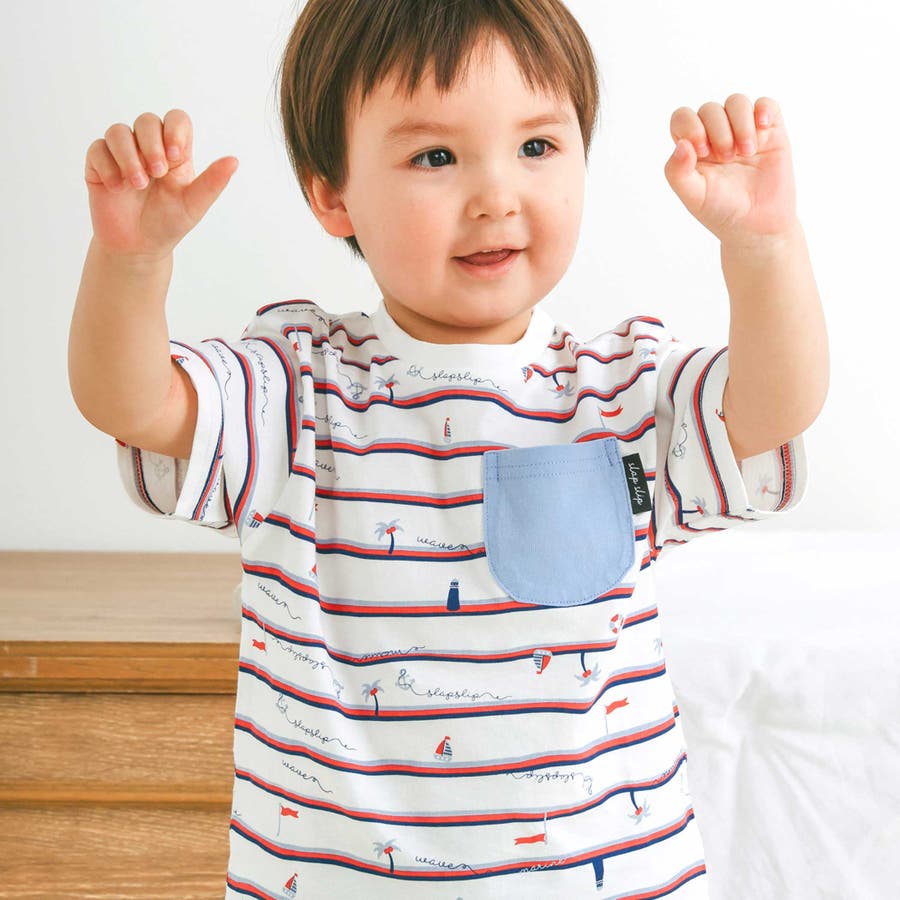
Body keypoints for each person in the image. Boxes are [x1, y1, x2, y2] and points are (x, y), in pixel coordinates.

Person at [68, 0, 828, 896]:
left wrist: (765, 248)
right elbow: (132, 401)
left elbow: (773, 408)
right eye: (436, 156)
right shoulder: (293, 390)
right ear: (333, 193)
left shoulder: (623, 389)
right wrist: (131, 264)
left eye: (536, 146)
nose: (497, 196)